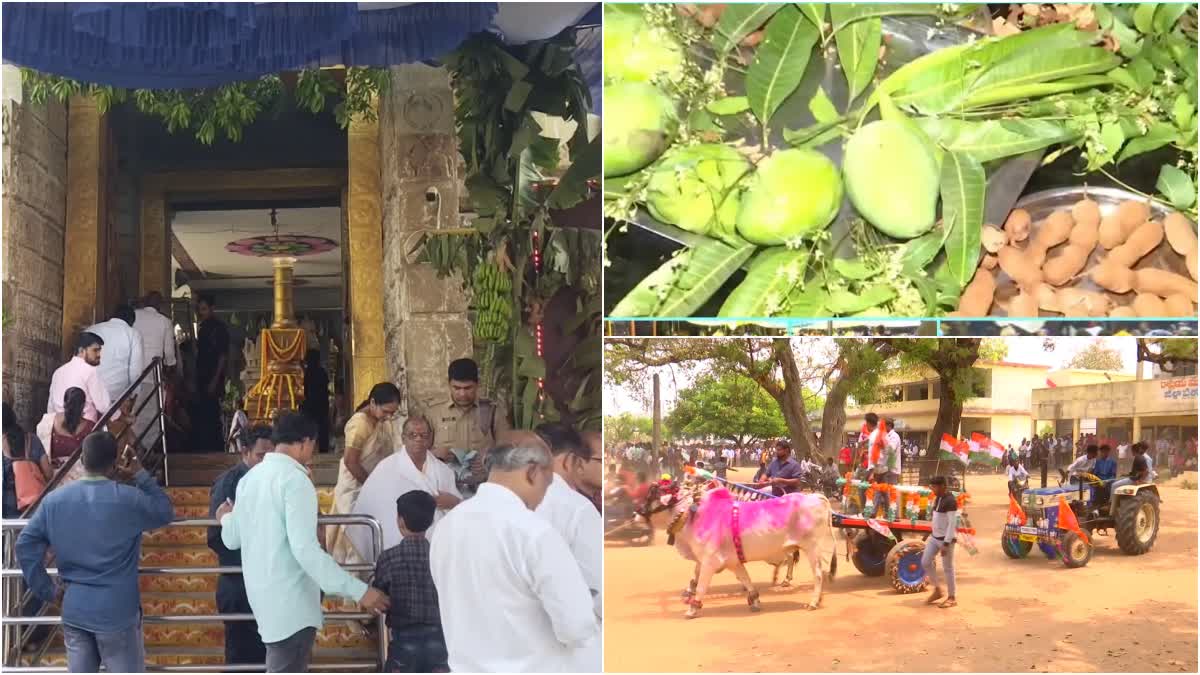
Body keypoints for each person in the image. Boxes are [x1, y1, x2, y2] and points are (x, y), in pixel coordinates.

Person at [216, 412, 390, 673]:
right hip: (291, 604)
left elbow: (231, 539)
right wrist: (360, 591)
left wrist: (226, 518)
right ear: (305, 442)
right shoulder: (295, 481)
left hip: (264, 600)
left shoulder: (250, 479)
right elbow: (306, 551)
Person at [429, 442, 598, 672]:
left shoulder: (445, 527)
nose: (543, 497)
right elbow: (576, 627)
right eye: (547, 485)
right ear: (532, 472)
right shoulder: (534, 532)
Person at [16, 431, 175, 672]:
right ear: (114, 464)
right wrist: (140, 474)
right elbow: (164, 511)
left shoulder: (54, 501)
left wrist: (47, 589)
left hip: (75, 608)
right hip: (117, 611)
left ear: (82, 461)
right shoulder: (129, 499)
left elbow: (25, 545)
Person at [533, 423, 603, 665]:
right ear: (570, 461)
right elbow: (599, 590)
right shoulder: (576, 509)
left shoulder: (509, 503)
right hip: (572, 649)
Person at [349, 415, 461, 560]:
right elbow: (369, 506)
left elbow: (459, 510)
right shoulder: (386, 468)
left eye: (423, 435)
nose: (418, 439)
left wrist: (454, 502)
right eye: (412, 435)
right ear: (403, 438)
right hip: (395, 550)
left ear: (430, 438)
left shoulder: (443, 471)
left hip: (436, 552)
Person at [207, 424, 273, 667]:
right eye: (261, 456)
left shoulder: (271, 479)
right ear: (244, 451)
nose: (267, 462)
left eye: (271, 456)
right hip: (239, 585)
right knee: (241, 658)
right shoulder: (228, 483)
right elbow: (215, 537)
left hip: (267, 584)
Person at [373, 491, 448, 673]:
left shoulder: (388, 558)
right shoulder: (443, 556)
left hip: (402, 641)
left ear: (400, 521)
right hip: (440, 639)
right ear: (431, 521)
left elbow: (378, 599)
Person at [328, 382, 402, 563]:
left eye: (392, 413)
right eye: (385, 412)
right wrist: (371, 486)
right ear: (373, 402)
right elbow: (350, 461)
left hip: (374, 487)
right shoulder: (360, 423)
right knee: (354, 540)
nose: (389, 417)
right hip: (355, 488)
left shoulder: (380, 422)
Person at [420, 358, 513, 495]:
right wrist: (435, 455)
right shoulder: (434, 413)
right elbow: (419, 453)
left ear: (477, 385)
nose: (462, 394)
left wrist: (489, 456)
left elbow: (508, 448)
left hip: (483, 489)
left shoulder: (491, 411)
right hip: (446, 491)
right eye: (456, 388)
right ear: (449, 384)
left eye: (468, 388)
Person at [133, 291, 177, 451]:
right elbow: (169, 353)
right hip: (152, 375)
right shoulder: (164, 321)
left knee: (133, 413)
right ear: (160, 305)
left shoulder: (133, 316)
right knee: (151, 414)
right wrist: (170, 365)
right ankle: (146, 451)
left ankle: (132, 449)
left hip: (132, 375)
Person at [191, 294, 230, 453]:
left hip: (212, 376)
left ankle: (214, 447)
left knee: (212, 413)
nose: (202, 312)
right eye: (200, 309)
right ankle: (206, 446)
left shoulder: (218, 328)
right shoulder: (203, 327)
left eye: (204, 309)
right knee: (204, 412)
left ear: (212, 309)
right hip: (202, 374)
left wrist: (215, 379)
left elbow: (222, 355)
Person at [85, 305, 144, 403]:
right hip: (115, 395)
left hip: (87, 392)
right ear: (131, 321)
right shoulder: (133, 334)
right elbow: (135, 370)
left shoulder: (91, 329)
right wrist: (134, 394)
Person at [922, 475, 958, 609]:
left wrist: (946, 543)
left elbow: (951, 524)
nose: (933, 489)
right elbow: (936, 518)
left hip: (945, 540)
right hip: (934, 537)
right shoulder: (938, 498)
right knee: (925, 562)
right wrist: (928, 533)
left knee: (948, 568)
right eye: (932, 486)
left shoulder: (950, 501)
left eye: (935, 486)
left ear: (943, 486)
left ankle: (952, 597)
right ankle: (938, 589)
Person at [301, 350, 331, 453]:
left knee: (309, 428)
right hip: (321, 403)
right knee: (322, 427)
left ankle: (308, 449)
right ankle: (323, 448)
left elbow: (305, 389)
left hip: (310, 404)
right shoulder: (321, 372)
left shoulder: (308, 373)